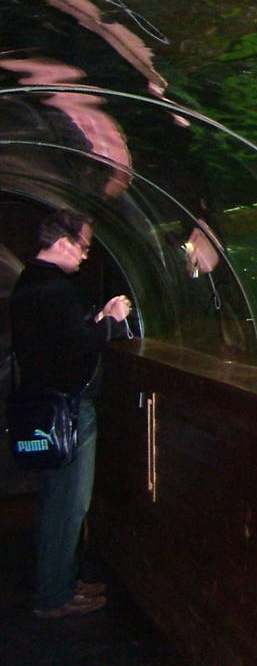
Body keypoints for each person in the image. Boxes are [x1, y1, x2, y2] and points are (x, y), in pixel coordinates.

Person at [10, 208, 130, 618]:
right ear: (62, 242)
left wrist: (94, 320)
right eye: (83, 246)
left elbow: (58, 339)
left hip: (49, 404)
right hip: (66, 407)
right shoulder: (52, 287)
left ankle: (60, 580)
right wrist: (111, 323)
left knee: (56, 501)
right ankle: (54, 595)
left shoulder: (33, 281)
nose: (85, 255)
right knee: (68, 503)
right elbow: (73, 346)